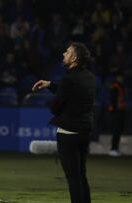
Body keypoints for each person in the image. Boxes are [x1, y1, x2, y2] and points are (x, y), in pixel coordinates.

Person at [32, 42, 95, 203]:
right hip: (84, 131)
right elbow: (72, 90)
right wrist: (51, 85)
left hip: (68, 133)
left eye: (67, 52)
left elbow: (55, 107)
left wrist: (55, 101)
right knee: (81, 175)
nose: (64, 54)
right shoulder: (89, 77)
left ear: (74, 58)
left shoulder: (69, 77)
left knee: (73, 178)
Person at [108, 73, 126, 157]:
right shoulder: (115, 87)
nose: (121, 78)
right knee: (116, 131)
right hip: (116, 112)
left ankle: (116, 149)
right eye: (120, 76)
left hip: (120, 112)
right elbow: (113, 100)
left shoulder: (120, 86)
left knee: (118, 131)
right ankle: (113, 149)